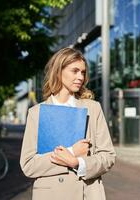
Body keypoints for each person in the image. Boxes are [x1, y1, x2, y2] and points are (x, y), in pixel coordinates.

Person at [20, 47, 116, 200]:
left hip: (87, 193)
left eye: (83, 72)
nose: (80, 77)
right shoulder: (37, 112)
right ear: (59, 71)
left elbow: (108, 156)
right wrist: (71, 152)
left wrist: (78, 163)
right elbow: (28, 165)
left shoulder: (93, 108)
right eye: (75, 71)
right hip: (51, 194)